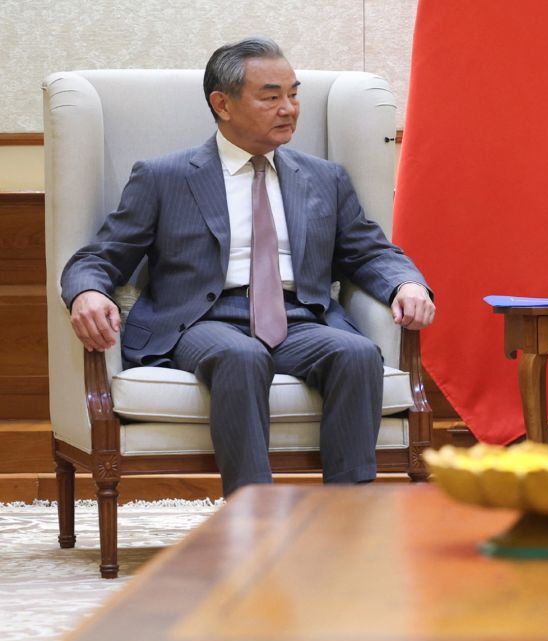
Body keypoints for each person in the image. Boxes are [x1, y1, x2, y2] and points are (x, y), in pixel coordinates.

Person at [60, 37, 435, 496]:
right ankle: (252, 516)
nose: (290, 109)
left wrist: (406, 284)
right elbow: (99, 257)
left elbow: (369, 251)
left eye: (293, 94)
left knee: (356, 354)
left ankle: (346, 518)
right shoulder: (165, 177)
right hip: (202, 320)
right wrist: (88, 292)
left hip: (301, 318)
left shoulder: (323, 178)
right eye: (271, 96)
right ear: (223, 104)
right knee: (242, 356)